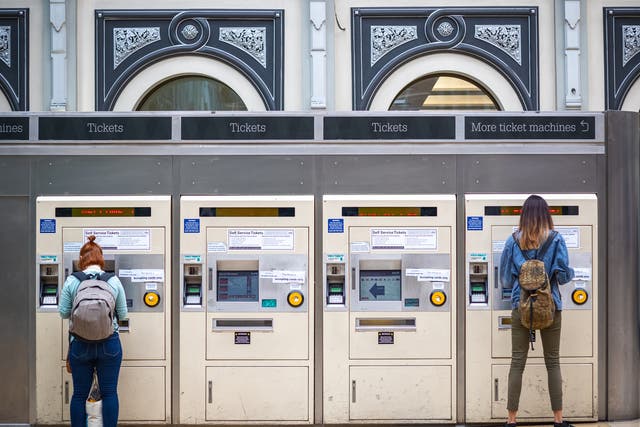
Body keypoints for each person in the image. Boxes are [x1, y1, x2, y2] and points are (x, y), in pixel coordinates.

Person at [499, 195, 575, 427]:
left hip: (520, 307)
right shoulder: (556, 239)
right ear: (546, 215)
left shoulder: (512, 241)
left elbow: (504, 279)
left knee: (517, 362)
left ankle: (511, 420)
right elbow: (563, 276)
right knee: (553, 362)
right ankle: (558, 420)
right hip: (550, 306)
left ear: (524, 215)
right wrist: (568, 271)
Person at [59, 235, 128, 427]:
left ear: (81, 260)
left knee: (79, 394)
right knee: (109, 393)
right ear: (101, 259)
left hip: (79, 344)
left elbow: (63, 313)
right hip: (109, 344)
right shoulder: (113, 280)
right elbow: (123, 314)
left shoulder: (72, 280)